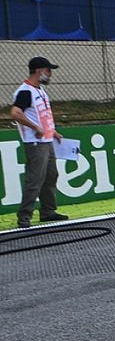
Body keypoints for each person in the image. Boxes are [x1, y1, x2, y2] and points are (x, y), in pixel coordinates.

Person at [11, 57, 68, 228]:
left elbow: (42, 116)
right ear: (39, 71)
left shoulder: (40, 91)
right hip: (35, 142)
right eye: (48, 70)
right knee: (35, 178)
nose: (50, 74)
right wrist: (35, 128)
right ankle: (24, 217)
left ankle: (48, 211)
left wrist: (53, 131)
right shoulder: (25, 91)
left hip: (46, 140)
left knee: (51, 175)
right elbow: (15, 113)